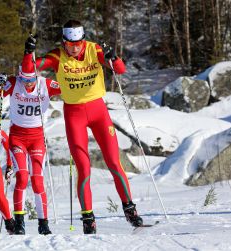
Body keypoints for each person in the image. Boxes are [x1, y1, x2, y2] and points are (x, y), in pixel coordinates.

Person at [22, 19, 143, 234]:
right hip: (74, 114)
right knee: (83, 168)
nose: (75, 48)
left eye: (78, 44)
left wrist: (112, 56)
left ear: (83, 40)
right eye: (70, 44)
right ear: (64, 42)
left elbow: (121, 70)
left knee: (114, 162)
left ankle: (129, 208)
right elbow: (29, 71)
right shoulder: (57, 56)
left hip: (99, 112)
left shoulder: (93, 49)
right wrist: (28, 53)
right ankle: (88, 218)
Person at [0, 61, 61, 235]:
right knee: (22, 177)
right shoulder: (14, 83)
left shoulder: (46, 84)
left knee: (37, 180)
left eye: (32, 80)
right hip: (18, 138)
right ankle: (19, 223)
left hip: (37, 138)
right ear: (20, 76)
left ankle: (44, 224)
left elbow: (70, 89)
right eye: (24, 80)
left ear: (38, 75)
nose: (28, 84)